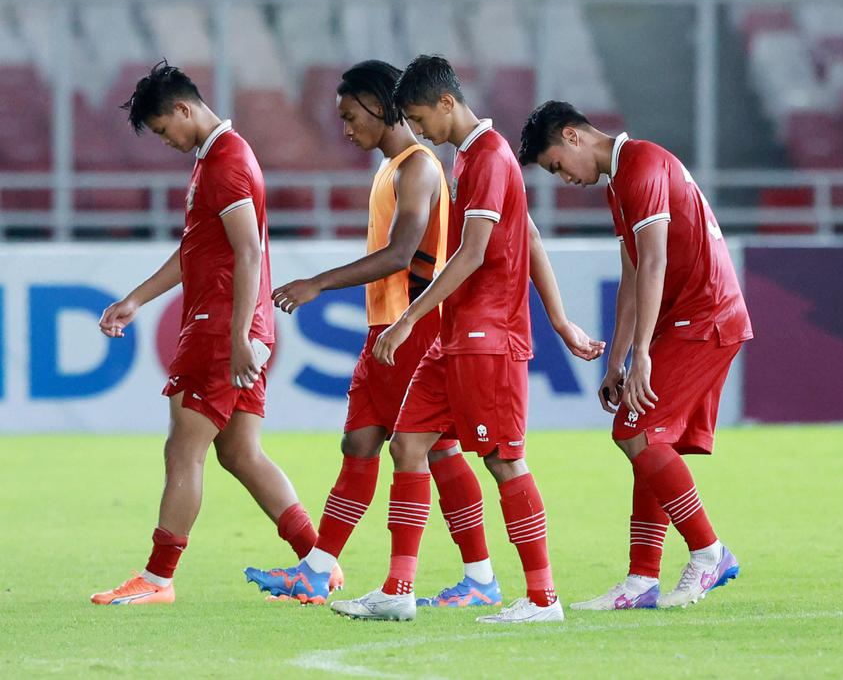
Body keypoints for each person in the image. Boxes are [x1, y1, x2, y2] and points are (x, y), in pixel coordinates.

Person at [329, 56, 604, 623]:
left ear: (448, 103)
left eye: (420, 117)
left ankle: (542, 599)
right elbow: (526, 234)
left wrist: (408, 318)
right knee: (408, 445)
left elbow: (474, 251)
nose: (419, 129)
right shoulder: (470, 158)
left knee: (504, 461)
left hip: (487, 336)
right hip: (455, 337)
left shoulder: (488, 157)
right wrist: (560, 320)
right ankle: (398, 592)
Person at [242, 60, 500, 607]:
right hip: (385, 327)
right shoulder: (390, 169)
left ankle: (463, 579)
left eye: (350, 115)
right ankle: (317, 570)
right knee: (363, 441)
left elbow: (403, 254)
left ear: (379, 105)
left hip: (416, 325)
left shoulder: (419, 168)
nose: (345, 128)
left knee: (432, 451)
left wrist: (318, 283)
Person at [91, 61, 318, 604]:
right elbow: (197, 250)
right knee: (240, 453)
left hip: (221, 328)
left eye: (165, 130)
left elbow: (248, 251)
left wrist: (240, 334)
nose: (166, 141)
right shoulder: (212, 160)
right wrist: (136, 300)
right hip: (229, 325)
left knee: (182, 451)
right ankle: (318, 561)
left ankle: (158, 578)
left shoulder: (226, 162)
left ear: (183, 109)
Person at [518, 100, 751, 610]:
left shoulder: (642, 165)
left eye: (556, 165)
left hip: (706, 317)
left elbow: (656, 265)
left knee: (635, 431)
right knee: (646, 437)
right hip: (687, 320)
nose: (563, 179)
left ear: (573, 137)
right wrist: (617, 359)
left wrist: (642, 352)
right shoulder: (622, 179)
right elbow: (631, 273)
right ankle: (642, 581)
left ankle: (710, 552)